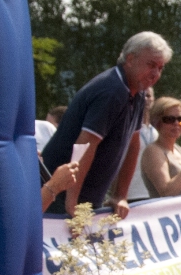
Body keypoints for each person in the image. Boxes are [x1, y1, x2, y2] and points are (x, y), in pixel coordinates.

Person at [41, 31, 172, 219]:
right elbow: (85, 145)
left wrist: (121, 196)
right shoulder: (112, 91)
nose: (155, 74)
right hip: (57, 198)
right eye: (151, 65)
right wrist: (72, 205)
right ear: (130, 59)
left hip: (86, 201)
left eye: (160, 68)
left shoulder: (139, 92)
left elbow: (133, 144)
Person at [125, 87, 158, 202]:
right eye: (141, 95)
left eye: (148, 96)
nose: (145, 99)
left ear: (153, 100)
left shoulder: (156, 132)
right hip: (131, 194)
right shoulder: (128, 129)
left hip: (152, 194)